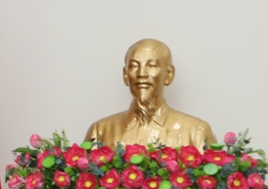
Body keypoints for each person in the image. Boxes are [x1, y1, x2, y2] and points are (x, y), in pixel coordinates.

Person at [86, 38, 215, 149]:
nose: (141, 74)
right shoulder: (100, 131)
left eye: (152, 66)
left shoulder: (196, 131)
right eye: (134, 66)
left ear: (169, 75)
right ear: (125, 75)